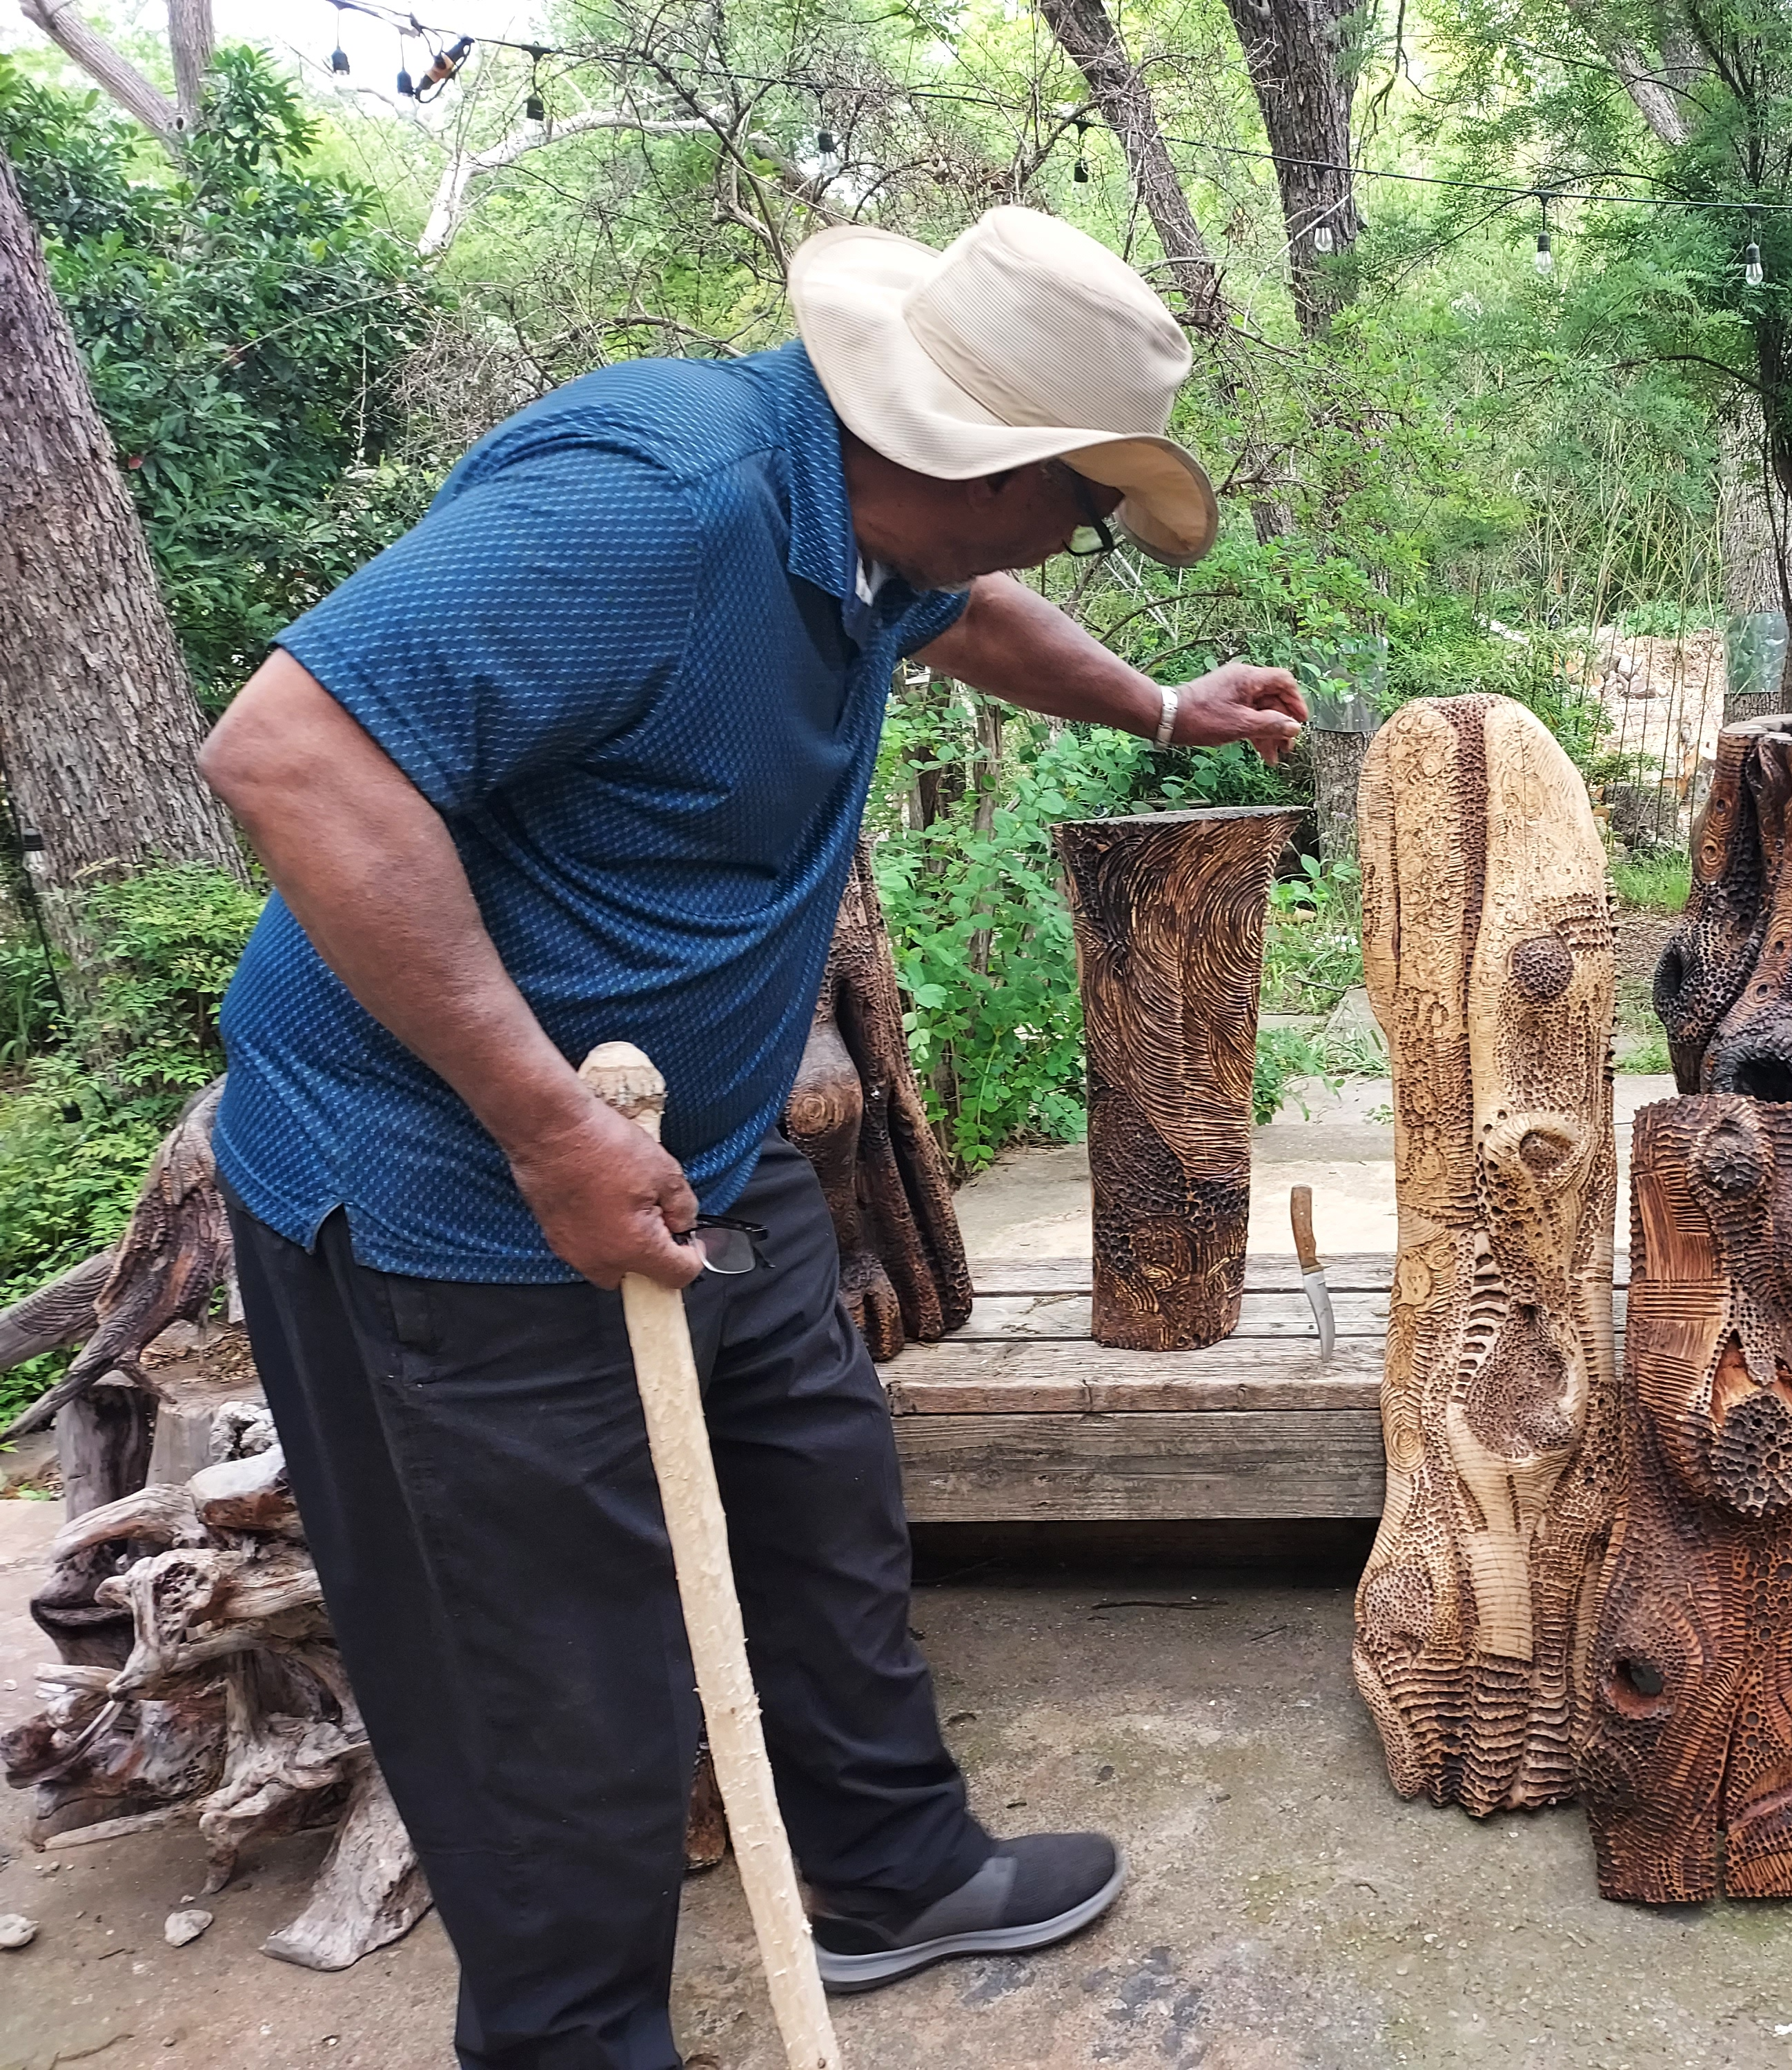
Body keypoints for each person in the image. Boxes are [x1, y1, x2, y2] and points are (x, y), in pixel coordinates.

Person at [196, 207, 1306, 2070]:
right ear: (970, 463)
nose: (1080, 539)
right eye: (1082, 502)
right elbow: (288, 752)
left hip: (701, 1154)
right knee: (548, 1674)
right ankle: (571, 2044)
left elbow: (979, 611)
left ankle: (885, 1874)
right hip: (454, 1193)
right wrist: (544, 1123)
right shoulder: (658, 508)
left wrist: (1157, 705)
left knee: (816, 1502)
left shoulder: (882, 531)